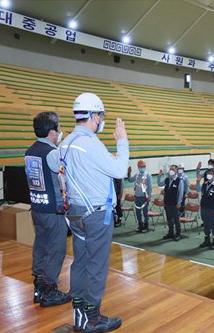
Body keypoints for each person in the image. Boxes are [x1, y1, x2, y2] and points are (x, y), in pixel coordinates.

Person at [60, 92, 127, 332]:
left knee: (80, 262)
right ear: (94, 115)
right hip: (96, 214)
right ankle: (92, 317)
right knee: (97, 265)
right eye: (100, 115)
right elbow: (119, 170)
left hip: (76, 213)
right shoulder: (91, 143)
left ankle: (79, 313)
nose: (102, 120)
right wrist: (122, 141)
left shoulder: (65, 142)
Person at [24, 111, 70, 307]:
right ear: (52, 131)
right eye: (59, 127)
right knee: (56, 250)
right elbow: (64, 178)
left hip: (37, 208)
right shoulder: (52, 153)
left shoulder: (30, 151)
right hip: (54, 210)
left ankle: (39, 285)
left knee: (41, 246)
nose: (61, 131)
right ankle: (49, 291)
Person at [196, 168, 214, 249]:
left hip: (212, 208)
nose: (209, 175)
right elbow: (197, 189)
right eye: (208, 173)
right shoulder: (204, 184)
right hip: (204, 207)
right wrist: (197, 181)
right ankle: (206, 240)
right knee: (206, 224)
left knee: (213, 225)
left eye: (211, 173)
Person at [158, 165, 184, 241]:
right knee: (169, 218)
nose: (170, 170)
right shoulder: (167, 179)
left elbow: (180, 192)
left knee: (176, 218)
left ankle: (178, 233)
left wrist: (179, 202)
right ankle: (170, 232)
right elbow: (160, 184)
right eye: (170, 169)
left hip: (175, 203)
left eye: (172, 169)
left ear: (176, 171)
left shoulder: (179, 180)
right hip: (167, 202)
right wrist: (159, 177)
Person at [128, 160, 152, 233]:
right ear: (138, 167)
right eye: (140, 167)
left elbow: (150, 186)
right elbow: (130, 180)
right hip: (137, 197)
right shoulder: (137, 175)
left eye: (142, 166)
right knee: (138, 212)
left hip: (144, 197)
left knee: (145, 212)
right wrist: (129, 173)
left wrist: (149, 196)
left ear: (145, 167)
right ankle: (140, 225)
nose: (141, 168)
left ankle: (146, 226)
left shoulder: (148, 175)